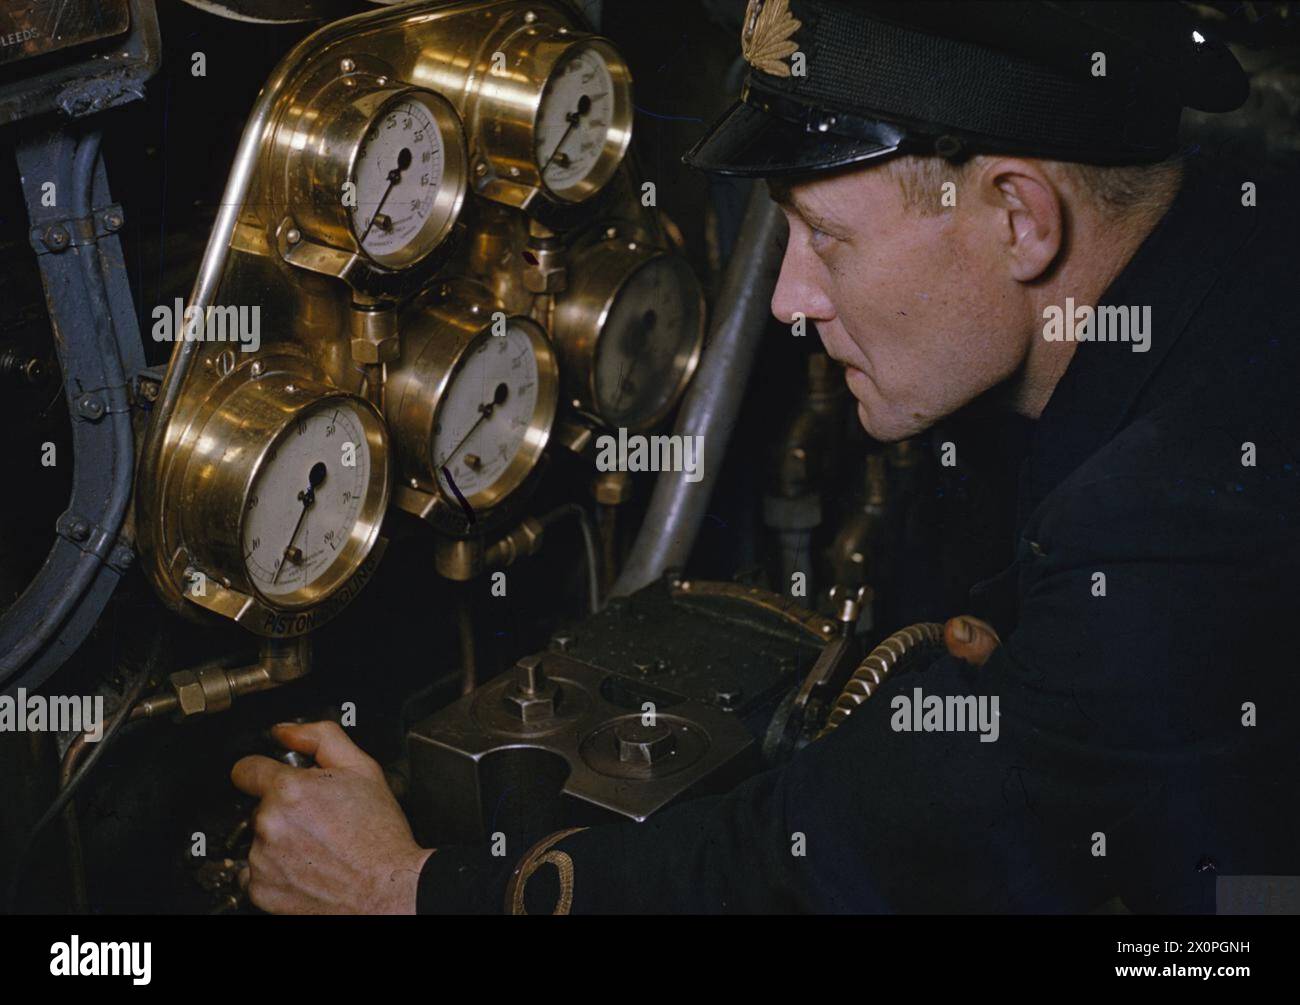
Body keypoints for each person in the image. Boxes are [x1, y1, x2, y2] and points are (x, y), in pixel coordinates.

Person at [231, 0, 1300, 914]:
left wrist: (407, 890)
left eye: (825, 236)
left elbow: (796, 878)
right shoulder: (1232, 272)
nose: (789, 299)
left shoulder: (1174, 522)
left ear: (1021, 217)